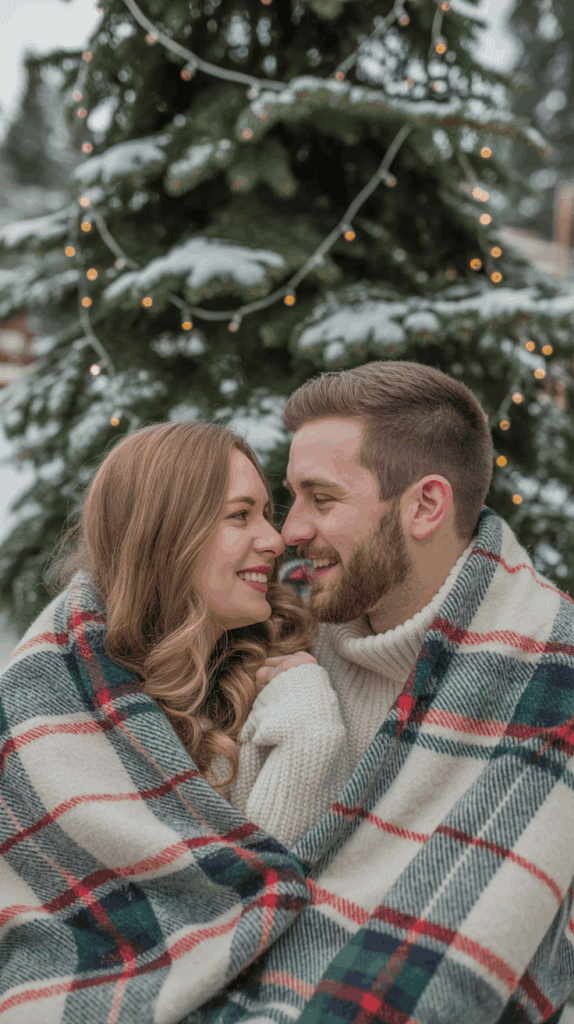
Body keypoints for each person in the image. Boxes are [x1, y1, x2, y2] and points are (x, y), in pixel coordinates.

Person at [208, 360, 574, 1024]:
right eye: (292, 498)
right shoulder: (280, 624)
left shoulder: (552, 676)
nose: (289, 531)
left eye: (321, 499)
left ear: (425, 506)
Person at [0, 421, 346, 1023]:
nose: (275, 539)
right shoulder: (48, 694)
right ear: (168, 533)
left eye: (267, 514)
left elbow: (258, 903)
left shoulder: (268, 676)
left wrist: (308, 733)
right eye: (241, 516)